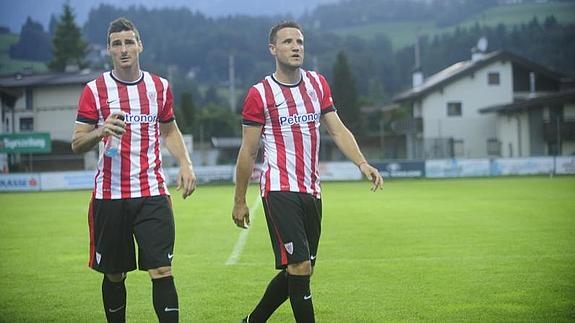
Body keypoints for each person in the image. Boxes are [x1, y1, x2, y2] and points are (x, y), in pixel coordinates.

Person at [232, 21, 384, 323]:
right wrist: (239, 200)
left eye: (299, 41)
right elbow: (248, 151)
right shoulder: (259, 94)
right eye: (287, 42)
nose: (295, 46)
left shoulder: (317, 84)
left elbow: (337, 130)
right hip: (279, 187)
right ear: (273, 49)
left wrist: (362, 163)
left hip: (311, 190)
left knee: (302, 268)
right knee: (299, 265)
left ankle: (253, 320)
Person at [71, 17, 196, 323]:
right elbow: (76, 143)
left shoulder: (159, 87)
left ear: (139, 45)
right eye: (117, 44)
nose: (124, 49)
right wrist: (100, 131)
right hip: (110, 196)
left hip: (152, 192)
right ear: (109, 50)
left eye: (129, 42)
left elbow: (169, 130)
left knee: (162, 269)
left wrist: (185, 163)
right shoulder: (95, 90)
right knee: (115, 274)